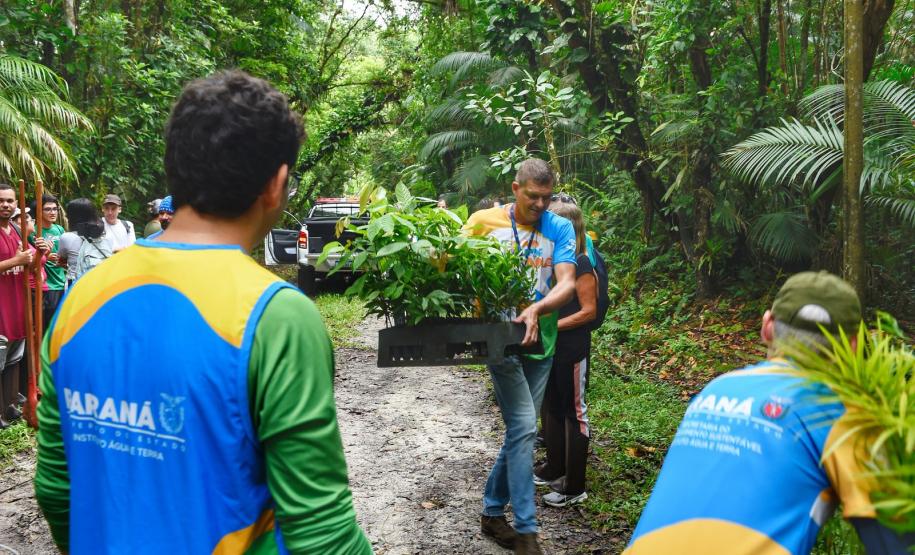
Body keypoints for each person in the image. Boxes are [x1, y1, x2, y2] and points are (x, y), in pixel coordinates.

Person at [35, 70, 372, 554]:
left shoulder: (81, 299)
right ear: (276, 184)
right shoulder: (276, 316)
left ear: (176, 169)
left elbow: (56, 487)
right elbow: (321, 534)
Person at [625, 271, 915, 554]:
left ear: (767, 327)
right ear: (853, 345)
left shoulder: (716, 389)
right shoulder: (843, 415)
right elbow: (894, 541)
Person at [464, 158, 577, 555]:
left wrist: (536, 309)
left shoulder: (559, 227)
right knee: (526, 426)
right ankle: (527, 531)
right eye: (533, 197)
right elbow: (449, 264)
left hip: (541, 341)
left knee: (520, 430)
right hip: (498, 340)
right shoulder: (483, 222)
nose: (540, 205)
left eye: (547, 197)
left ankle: (492, 514)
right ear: (515, 189)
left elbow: (566, 283)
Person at [535, 200, 597, 508]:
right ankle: (556, 469)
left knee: (575, 413)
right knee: (554, 407)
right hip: (552, 348)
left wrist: (551, 326)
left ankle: (575, 486)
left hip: (572, 348)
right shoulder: (555, 261)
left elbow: (588, 311)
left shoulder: (581, 263)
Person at [0, 186, 38, 427]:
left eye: (9, 201)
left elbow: (30, 265)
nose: (5, 205)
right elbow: (18, 261)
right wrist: (17, 259)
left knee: (14, 360)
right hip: (1, 307)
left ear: (16, 204)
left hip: (17, 305)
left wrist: (40, 253)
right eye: (1, 201)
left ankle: (10, 406)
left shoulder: (16, 230)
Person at [57, 198, 114, 287]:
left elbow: (61, 259)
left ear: (71, 217)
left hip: (76, 285)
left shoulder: (66, 237)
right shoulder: (107, 236)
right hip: (100, 284)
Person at [28, 194, 66, 326]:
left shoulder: (59, 229)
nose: (52, 212)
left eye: (55, 209)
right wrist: (45, 256)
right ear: (39, 211)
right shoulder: (33, 231)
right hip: (46, 284)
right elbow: (30, 258)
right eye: (48, 209)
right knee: (46, 324)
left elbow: (64, 253)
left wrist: (63, 260)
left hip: (62, 281)